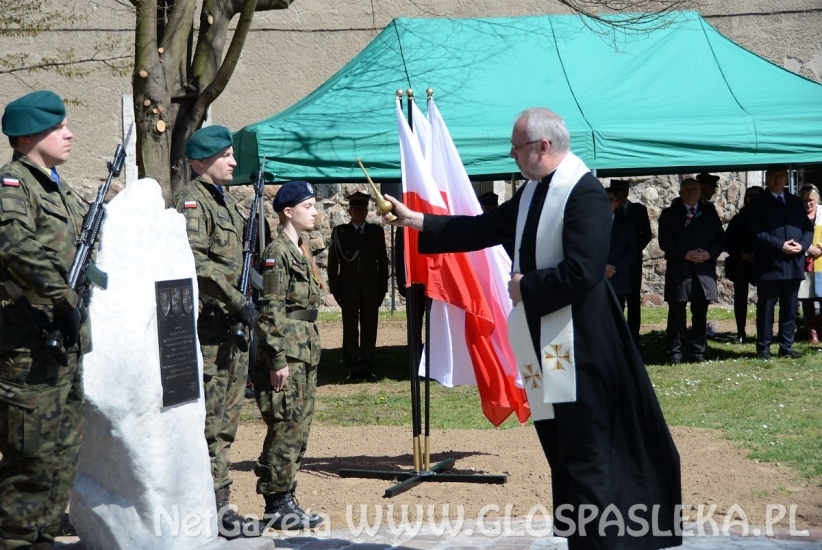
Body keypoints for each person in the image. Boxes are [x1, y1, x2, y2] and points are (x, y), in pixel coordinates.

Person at [384, 107, 681, 550]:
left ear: (543, 147)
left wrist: (528, 285)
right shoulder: (532, 192)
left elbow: (585, 271)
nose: (512, 154)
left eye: (517, 147)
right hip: (541, 338)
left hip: (579, 344)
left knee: (585, 446)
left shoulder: (584, 194)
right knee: (560, 446)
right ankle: (581, 536)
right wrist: (418, 221)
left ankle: (604, 541)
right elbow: (484, 227)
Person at [0, 90, 90, 550]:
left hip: (66, 344)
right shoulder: (13, 185)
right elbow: (13, 246)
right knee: (30, 461)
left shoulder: (60, 189)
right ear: (30, 134)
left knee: (62, 455)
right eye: (59, 127)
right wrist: (64, 297)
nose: (69, 133)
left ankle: (45, 538)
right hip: (29, 346)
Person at [172, 125, 262, 538]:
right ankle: (209, 509)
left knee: (225, 425)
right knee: (209, 425)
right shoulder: (193, 202)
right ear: (202, 161)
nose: (233, 162)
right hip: (209, 331)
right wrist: (236, 300)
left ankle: (219, 505)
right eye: (226, 155)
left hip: (229, 331)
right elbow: (195, 263)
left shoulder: (223, 203)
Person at [253, 180, 323, 529]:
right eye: (309, 206)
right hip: (287, 353)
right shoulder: (277, 252)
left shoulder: (300, 249)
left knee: (299, 427)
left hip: (305, 350)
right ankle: (276, 502)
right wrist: (277, 359)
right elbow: (270, 310)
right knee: (284, 425)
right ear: (288, 212)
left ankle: (287, 496)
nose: (315, 212)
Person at [748, 164, 814, 360]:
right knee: (766, 309)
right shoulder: (758, 203)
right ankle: (764, 348)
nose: (777, 179)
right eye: (773, 175)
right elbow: (756, 232)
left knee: (790, 308)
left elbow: (807, 229)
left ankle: (786, 346)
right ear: (767, 178)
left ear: (786, 178)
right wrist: (780, 245)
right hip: (770, 265)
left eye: (780, 175)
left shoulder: (794, 202)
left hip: (793, 263)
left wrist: (801, 246)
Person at [657, 178, 725, 364]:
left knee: (700, 313)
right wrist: (686, 254)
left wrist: (709, 254)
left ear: (700, 191)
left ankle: (698, 352)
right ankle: (674, 353)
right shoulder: (669, 214)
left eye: (694, 188)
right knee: (677, 313)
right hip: (680, 271)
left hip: (703, 271)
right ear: (680, 192)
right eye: (686, 189)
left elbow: (720, 239)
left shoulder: (709, 213)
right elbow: (665, 242)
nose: (690, 192)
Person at [327, 190, 388, 380]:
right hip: (348, 289)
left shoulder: (375, 232)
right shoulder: (340, 232)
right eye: (356, 209)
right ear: (350, 211)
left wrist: (383, 288)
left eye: (362, 209)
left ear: (367, 210)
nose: (359, 213)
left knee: (370, 329)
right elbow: (333, 262)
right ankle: (352, 367)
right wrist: (335, 289)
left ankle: (367, 366)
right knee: (350, 329)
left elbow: (383, 263)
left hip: (370, 289)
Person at [610, 179, 652, 346]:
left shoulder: (638, 210)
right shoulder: (607, 213)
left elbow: (646, 234)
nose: (619, 197)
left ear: (626, 193)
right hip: (612, 264)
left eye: (620, 193)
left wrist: (633, 251)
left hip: (632, 263)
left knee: (633, 300)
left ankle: (634, 335)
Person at [724, 186, 764, 344]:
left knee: (765, 299)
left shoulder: (767, 218)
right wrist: (741, 254)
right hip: (740, 263)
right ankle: (741, 331)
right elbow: (727, 242)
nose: (753, 198)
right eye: (750, 195)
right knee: (740, 298)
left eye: (756, 195)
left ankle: (764, 331)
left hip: (761, 262)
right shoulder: (738, 219)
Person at [605, 186, 638, 308]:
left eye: (610, 200)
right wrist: (601, 267)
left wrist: (615, 268)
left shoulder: (627, 225)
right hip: (596, 278)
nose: (606, 203)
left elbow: (632, 251)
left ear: (617, 203)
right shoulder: (588, 225)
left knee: (617, 319)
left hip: (618, 278)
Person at [797, 184, 822, 344]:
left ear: (817, 199)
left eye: (811, 200)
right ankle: (811, 331)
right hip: (804, 261)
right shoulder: (796, 215)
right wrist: (807, 248)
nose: (808, 204)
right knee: (807, 298)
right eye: (804, 200)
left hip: (821, 262)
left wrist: (820, 247)